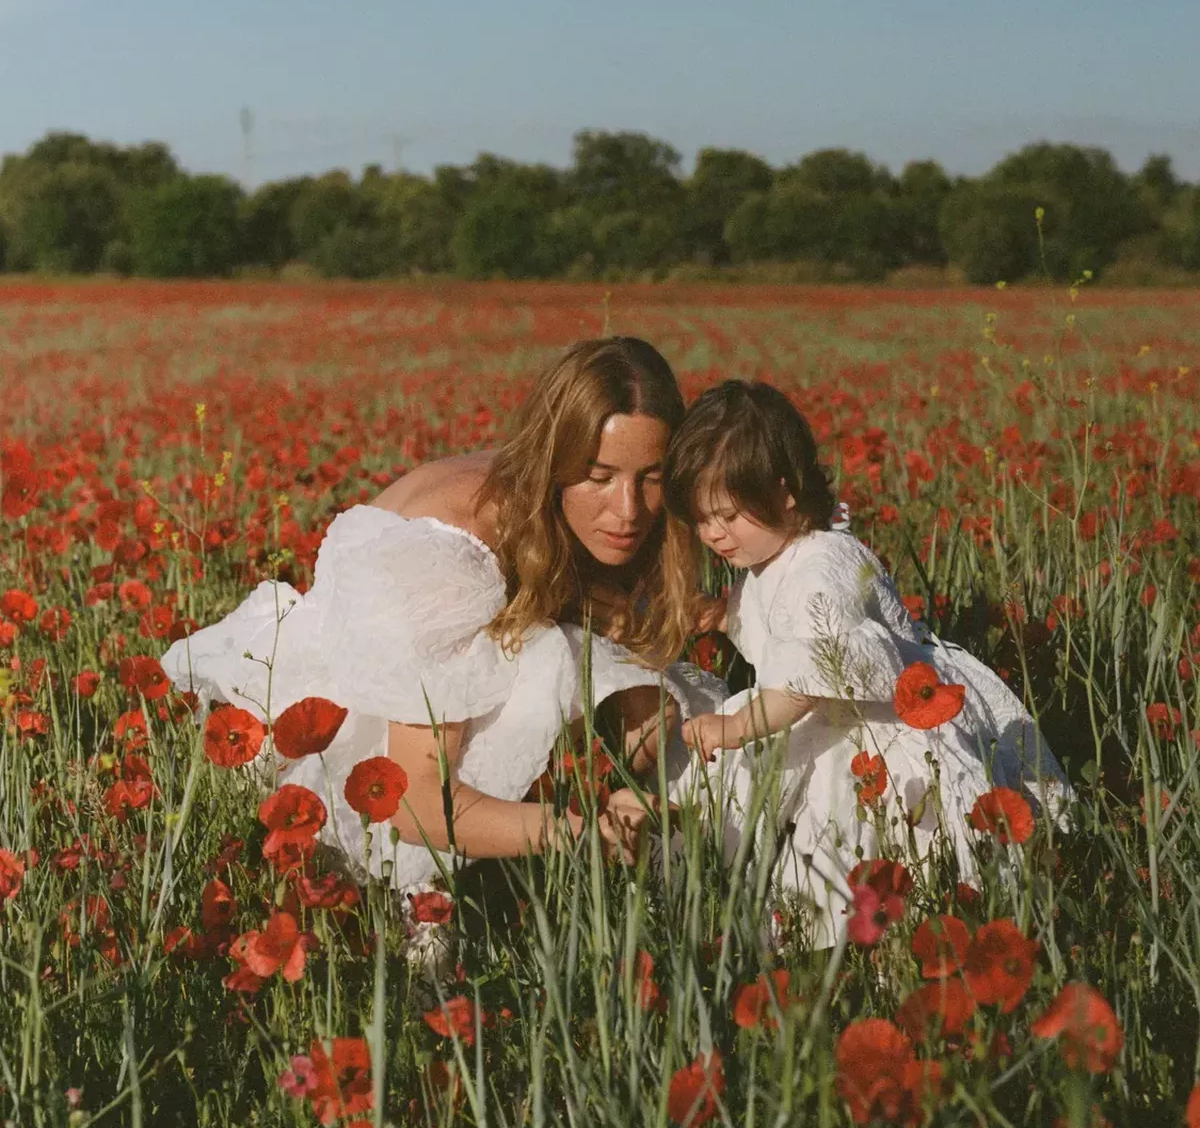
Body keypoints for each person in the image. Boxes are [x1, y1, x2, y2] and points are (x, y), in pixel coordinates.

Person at [162, 338, 725, 892]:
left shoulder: (546, 504)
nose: (629, 511)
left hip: (421, 713)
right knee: (571, 669)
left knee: (657, 710)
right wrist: (583, 833)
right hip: (345, 740)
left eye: (651, 479)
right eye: (599, 478)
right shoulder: (455, 553)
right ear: (554, 460)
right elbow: (415, 801)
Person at [664, 380, 1071, 948]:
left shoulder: (821, 566)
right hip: (827, 707)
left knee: (876, 836)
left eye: (728, 515)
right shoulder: (776, 552)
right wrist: (724, 616)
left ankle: (875, 942)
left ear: (784, 493)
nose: (712, 533)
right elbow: (775, 625)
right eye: (702, 518)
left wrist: (734, 727)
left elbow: (806, 683)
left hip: (884, 723)